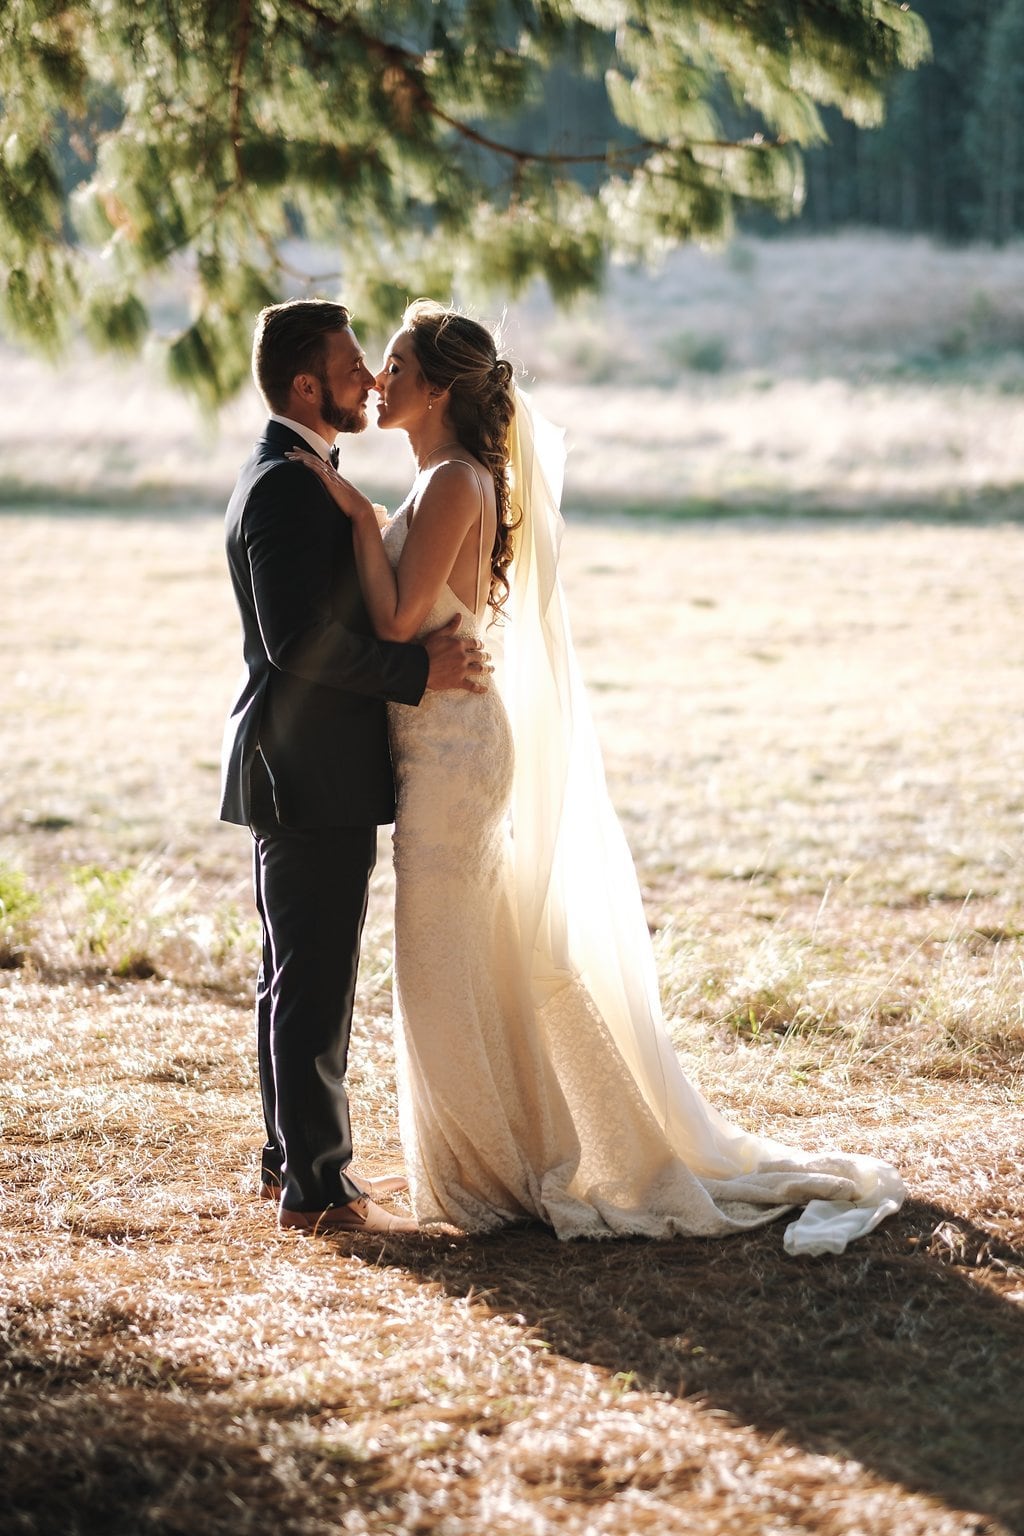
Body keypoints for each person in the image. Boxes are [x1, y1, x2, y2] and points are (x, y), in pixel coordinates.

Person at [289, 300, 906, 1253]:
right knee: (458, 958)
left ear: (441, 388)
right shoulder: (444, 479)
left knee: (437, 962)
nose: (382, 377)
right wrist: (370, 517)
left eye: (401, 363)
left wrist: (362, 523)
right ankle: (498, 1157)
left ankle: (494, 1173)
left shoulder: (454, 481)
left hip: (453, 755)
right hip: (437, 747)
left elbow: (401, 626)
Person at [220, 298, 491, 1236]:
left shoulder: (305, 474)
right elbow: (299, 644)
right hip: (306, 767)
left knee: (294, 973)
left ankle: (287, 1160)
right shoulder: (286, 486)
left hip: (311, 765)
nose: (369, 378)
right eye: (350, 365)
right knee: (314, 976)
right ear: (307, 385)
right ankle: (320, 1189)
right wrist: (416, 672)